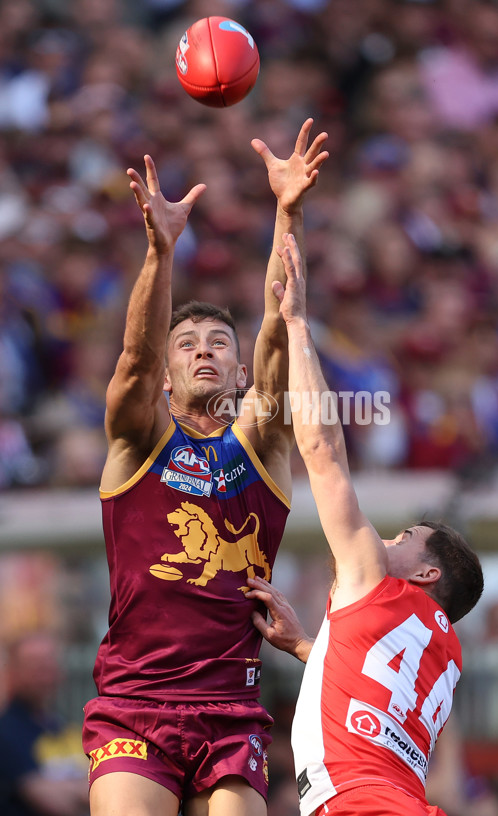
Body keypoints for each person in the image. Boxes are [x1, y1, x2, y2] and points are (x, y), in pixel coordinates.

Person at [81, 120, 329, 816]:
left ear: (240, 370)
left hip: (232, 708)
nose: (203, 352)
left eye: (219, 342)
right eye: (186, 344)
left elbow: (278, 324)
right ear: (167, 376)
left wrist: (289, 210)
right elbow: (132, 361)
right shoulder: (136, 442)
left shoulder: (262, 443)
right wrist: (160, 253)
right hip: (136, 704)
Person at [245, 232, 484, 816]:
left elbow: (324, 451)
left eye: (405, 539)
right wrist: (308, 646)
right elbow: (377, 699)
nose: (387, 537)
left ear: (426, 574)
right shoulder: (445, 653)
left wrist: (298, 325)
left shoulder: (377, 581)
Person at [0, 631, 90, 816]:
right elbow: (56, 804)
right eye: (35, 666)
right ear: (13, 672)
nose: (45, 675)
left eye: (49, 663)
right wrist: (85, 791)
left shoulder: (63, 727)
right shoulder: (6, 732)